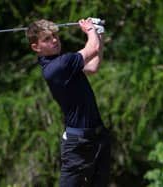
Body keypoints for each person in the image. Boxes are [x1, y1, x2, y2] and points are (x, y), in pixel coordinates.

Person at [26, 18, 111, 187]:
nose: (55, 40)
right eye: (47, 39)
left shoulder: (64, 62)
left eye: (55, 36)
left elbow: (93, 66)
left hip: (98, 138)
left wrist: (99, 34)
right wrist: (90, 30)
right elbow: (91, 48)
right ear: (36, 47)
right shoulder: (58, 66)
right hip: (78, 145)